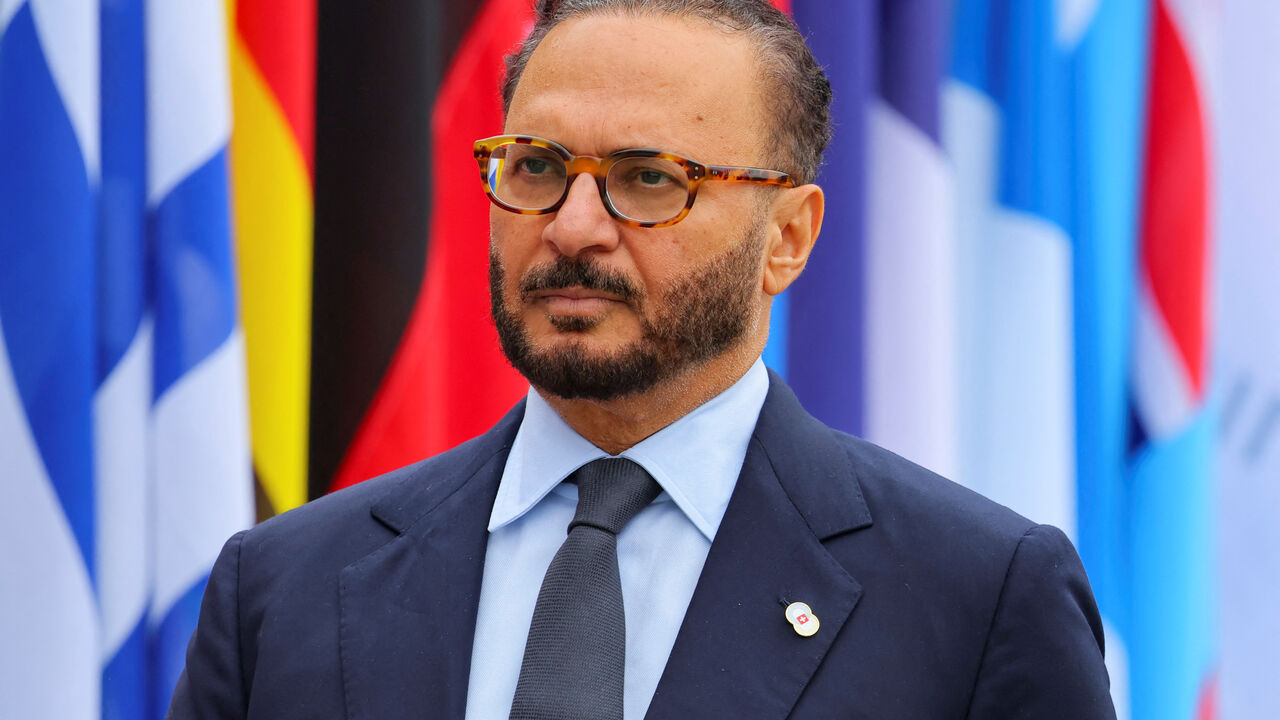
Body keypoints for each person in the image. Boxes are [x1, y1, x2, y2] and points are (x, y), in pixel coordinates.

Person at [168, 1, 1116, 718]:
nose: (573, 228)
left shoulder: (980, 597)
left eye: (648, 180)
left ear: (787, 236)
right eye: (536, 167)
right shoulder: (282, 588)